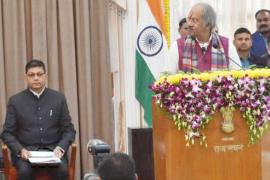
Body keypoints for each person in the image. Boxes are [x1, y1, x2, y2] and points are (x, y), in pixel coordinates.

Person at [1, 59, 76, 180]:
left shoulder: (58, 98)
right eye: (31, 75)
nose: (36, 78)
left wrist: (60, 148)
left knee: (62, 171)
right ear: (26, 77)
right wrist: (20, 150)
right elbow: (7, 133)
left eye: (39, 74)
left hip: (53, 152)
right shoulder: (15, 101)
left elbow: (69, 130)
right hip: (26, 154)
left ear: (45, 76)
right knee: (25, 172)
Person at [167, 3, 241, 73]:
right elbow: (166, 77)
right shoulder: (178, 46)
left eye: (194, 20)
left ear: (208, 24)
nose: (189, 24)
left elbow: (238, 75)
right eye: (189, 19)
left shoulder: (226, 45)